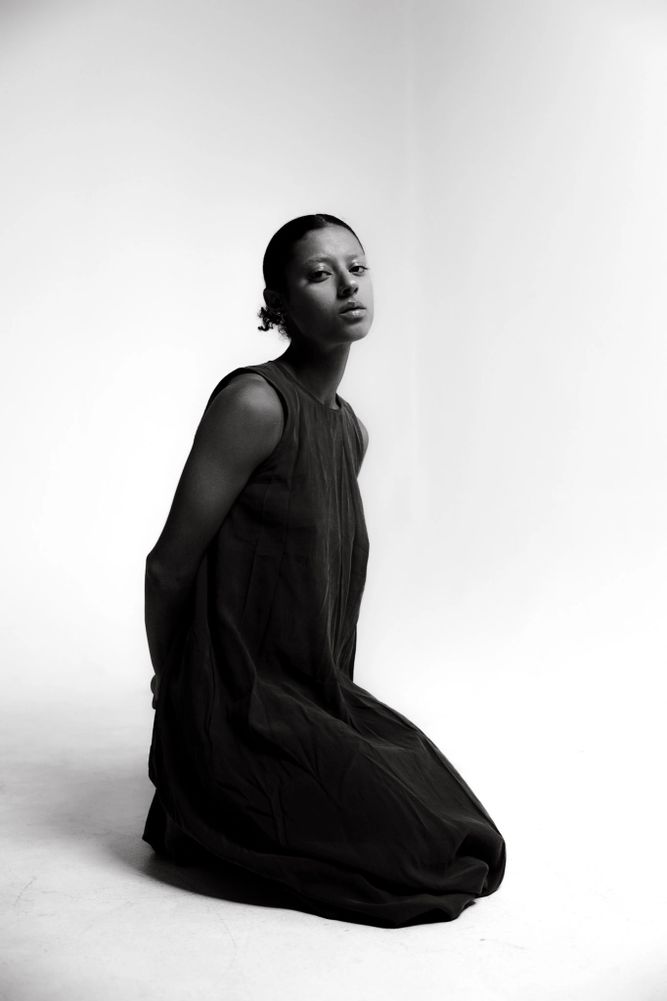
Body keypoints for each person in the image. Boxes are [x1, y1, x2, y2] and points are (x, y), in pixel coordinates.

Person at [142, 213, 506, 928]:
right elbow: (167, 566)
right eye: (319, 273)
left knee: (461, 832)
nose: (346, 285)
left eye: (357, 268)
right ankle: (207, 793)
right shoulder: (255, 404)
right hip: (235, 702)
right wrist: (172, 688)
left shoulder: (349, 430)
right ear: (278, 304)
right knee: (421, 865)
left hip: (314, 694)